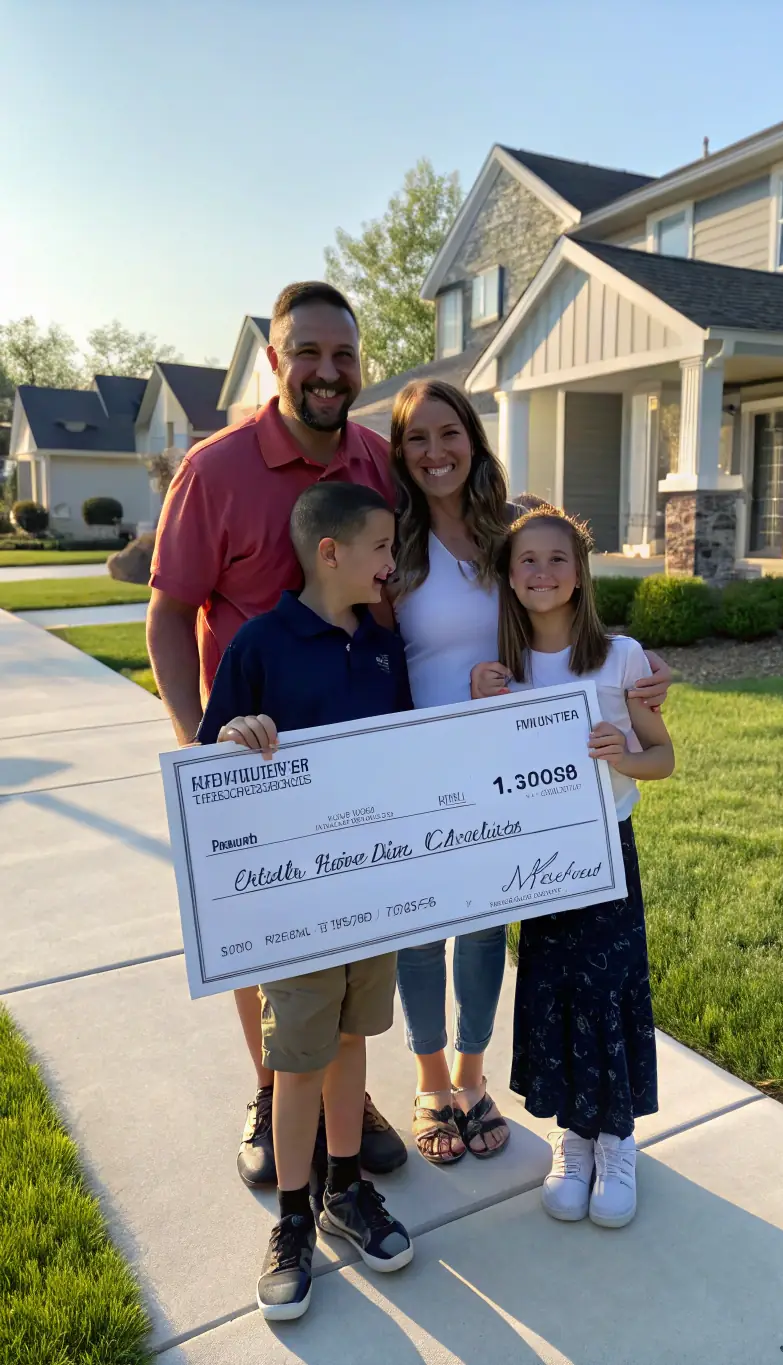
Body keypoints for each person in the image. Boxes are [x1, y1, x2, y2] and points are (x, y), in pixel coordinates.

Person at [147, 281, 406, 1188]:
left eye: (344, 355)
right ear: (273, 362)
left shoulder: (379, 463)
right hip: (253, 758)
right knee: (263, 936)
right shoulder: (215, 470)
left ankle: (343, 1101)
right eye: (308, 353)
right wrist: (199, 748)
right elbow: (168, 615)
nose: (327, 372)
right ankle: (271, 1088)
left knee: (352, 932)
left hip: (355, 760)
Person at [387, 378, 673, 1166]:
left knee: (484, 926)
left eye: (450, 433)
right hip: (423, 754)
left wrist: (642, 668)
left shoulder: (507, 527)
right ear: (400, 452)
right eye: (417, 437)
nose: (436, 451)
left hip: (510, 763)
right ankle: (431, 1083)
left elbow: (568, 594)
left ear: (474, 440)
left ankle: (472, 1079)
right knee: (422, 929)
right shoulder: (394, 541)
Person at [197, 482, 414, 1321]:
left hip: (373, 891)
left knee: (353, 1039)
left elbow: (408, 753)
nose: (391, 563)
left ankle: (344, 1191)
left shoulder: (383, 648)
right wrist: (234, 736)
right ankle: (293, 1215)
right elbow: (212, 760)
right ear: (332, 552)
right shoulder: (260, 645)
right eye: (382, 547)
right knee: (295, 1060)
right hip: (296, 906)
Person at [478, 505, 675, 1229]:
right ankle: (574, 1136)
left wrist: (623, 755)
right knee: (555, 985)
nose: (542, 572)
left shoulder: (622, 657)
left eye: (558, 558)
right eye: (527, 560)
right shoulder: (500, 670)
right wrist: (480, 704)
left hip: (607, 852)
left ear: (582, 572)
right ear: (508, 576)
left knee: (609, 989)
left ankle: (616, 1138)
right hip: (538, 859)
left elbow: (664, 758)